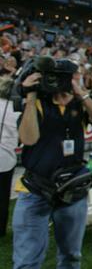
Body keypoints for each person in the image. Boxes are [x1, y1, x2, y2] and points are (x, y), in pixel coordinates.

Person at [13, 62, 92, 269]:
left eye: (66, 78)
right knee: (27, 262)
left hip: (72, 191)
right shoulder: (38, 102)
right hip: (36, 190)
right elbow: (28, 140)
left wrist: (81, 94)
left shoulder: (78, 103)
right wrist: (30, 96)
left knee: (71, 257)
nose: (59, 83)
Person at [0, 76, 20, 237]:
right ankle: (1, 227)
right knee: (3, 196)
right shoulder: (15, 110)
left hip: (6, 156)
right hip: (6, 158)